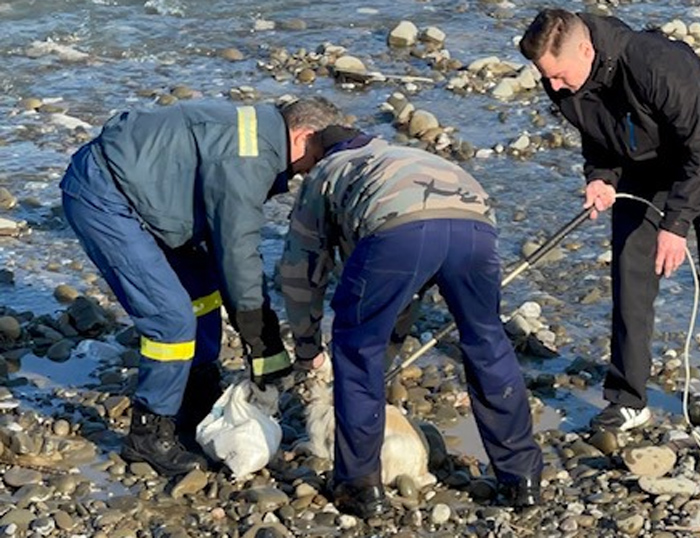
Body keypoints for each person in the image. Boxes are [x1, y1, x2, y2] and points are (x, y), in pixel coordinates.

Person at [519, 9, 700, 432]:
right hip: (640, 165)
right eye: (546, 77)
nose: (554, 87)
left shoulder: (654, 62)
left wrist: (675, 226)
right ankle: (628, 399)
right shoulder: (562, 79)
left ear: (585, 50)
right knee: (631, 275)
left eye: (559, 76)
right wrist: (600, 177)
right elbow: (595, 132)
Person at [60, 97, 345, 476]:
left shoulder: (261, 136)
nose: (313, 171)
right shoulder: (250, 158)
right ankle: (149, 431)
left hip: (150, 194)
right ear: (303, 137)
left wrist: (260, 339)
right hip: (104, 193)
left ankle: (196, 394)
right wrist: (263, 342)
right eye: (319, 156)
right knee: (170, 320)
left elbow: (229, 248)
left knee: (204, 293)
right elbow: (238, 253)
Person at [280, 125, 544, 518]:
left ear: (316, 150)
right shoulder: (401, 155)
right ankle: (521, 478)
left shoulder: (325, 173)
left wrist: (306, 348)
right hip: (475, 225)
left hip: (398, 227)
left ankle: (359, 485)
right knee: (487, 341)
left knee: (356, 348)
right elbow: (407, 287)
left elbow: (301, 270)